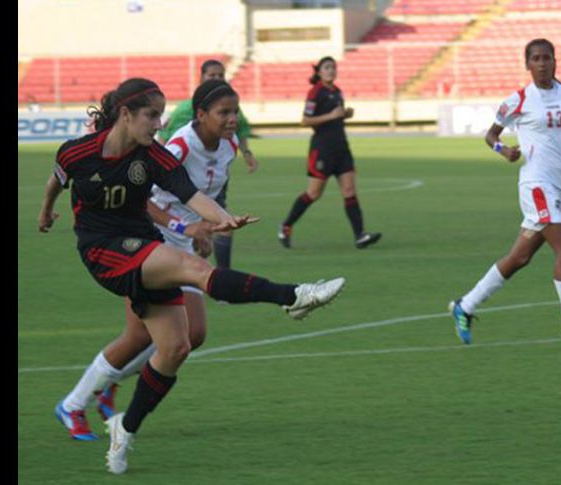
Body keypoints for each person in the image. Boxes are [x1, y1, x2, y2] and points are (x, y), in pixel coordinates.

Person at [39, 78, 345, 474]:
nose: (159, 123)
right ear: (126, 114)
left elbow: (191, 194)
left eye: (161, 115)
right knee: (196, 271)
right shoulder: (79, 151)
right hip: (104, 249)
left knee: (176, 347)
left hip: (144, 242)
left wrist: (222, 218)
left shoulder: (153, 155)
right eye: (152, 116)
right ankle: (295, 296)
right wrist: (46, 212)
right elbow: (57, 180)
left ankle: (124, 429)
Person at [448, 39, 561, 348]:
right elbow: (491, 135)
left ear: (555, 61)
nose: (542, 63)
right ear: (527, 65)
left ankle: (465, 306)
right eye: (536, 58)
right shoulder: (519, 99)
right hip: (536, 185)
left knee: (520, 257)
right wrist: (503, 150)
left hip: (560, 185)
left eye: (547, 58)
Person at [158, 59, 257, 269]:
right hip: (160, 233)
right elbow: (143, 201)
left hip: (189, 232)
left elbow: (205, 193)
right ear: (201, 115)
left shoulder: (230, 143)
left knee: (201, 285)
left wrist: (204, 228)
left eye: (235, 112)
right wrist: (184, 228)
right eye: (224, 113)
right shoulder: (180, 148)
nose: (233, 119)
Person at [278, 56, 381, 250]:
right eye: (326, 67)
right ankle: (286, 225)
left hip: (341, 148)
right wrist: (332, 115)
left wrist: (345, 115)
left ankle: (360, 235)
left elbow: (335, 120)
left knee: (349, 191)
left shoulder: (337, 91)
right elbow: (305, 121)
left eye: (333, 67)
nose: (331, 70)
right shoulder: (315, 92)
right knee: (314, 193)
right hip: (322, 150)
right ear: (319, 72)